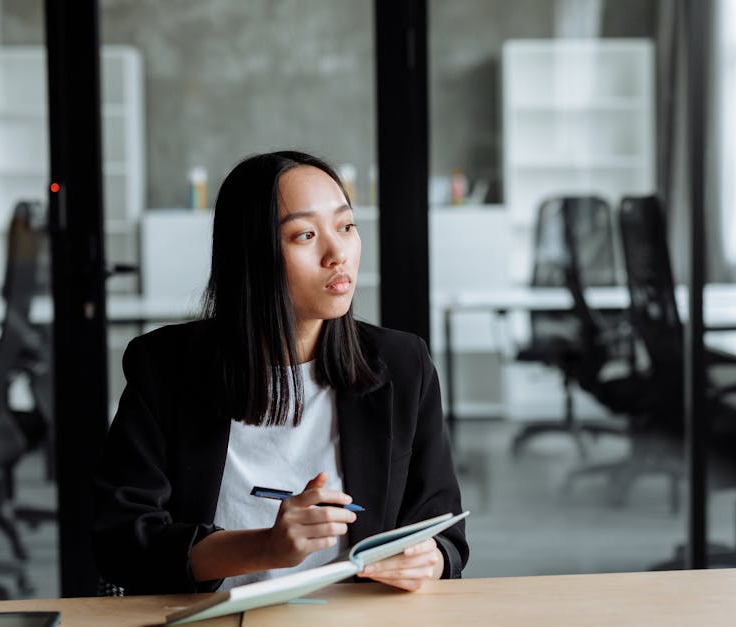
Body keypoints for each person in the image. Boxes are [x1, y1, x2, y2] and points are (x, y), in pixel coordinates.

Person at [93, 150, 468, 595]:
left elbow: (444, 528)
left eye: (346, 227)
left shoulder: (403, 364)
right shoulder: (166, 367)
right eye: (305, 234)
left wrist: (430, 558)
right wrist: (265, 547)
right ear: (250, 254)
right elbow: (122, 543)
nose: (337, 254)